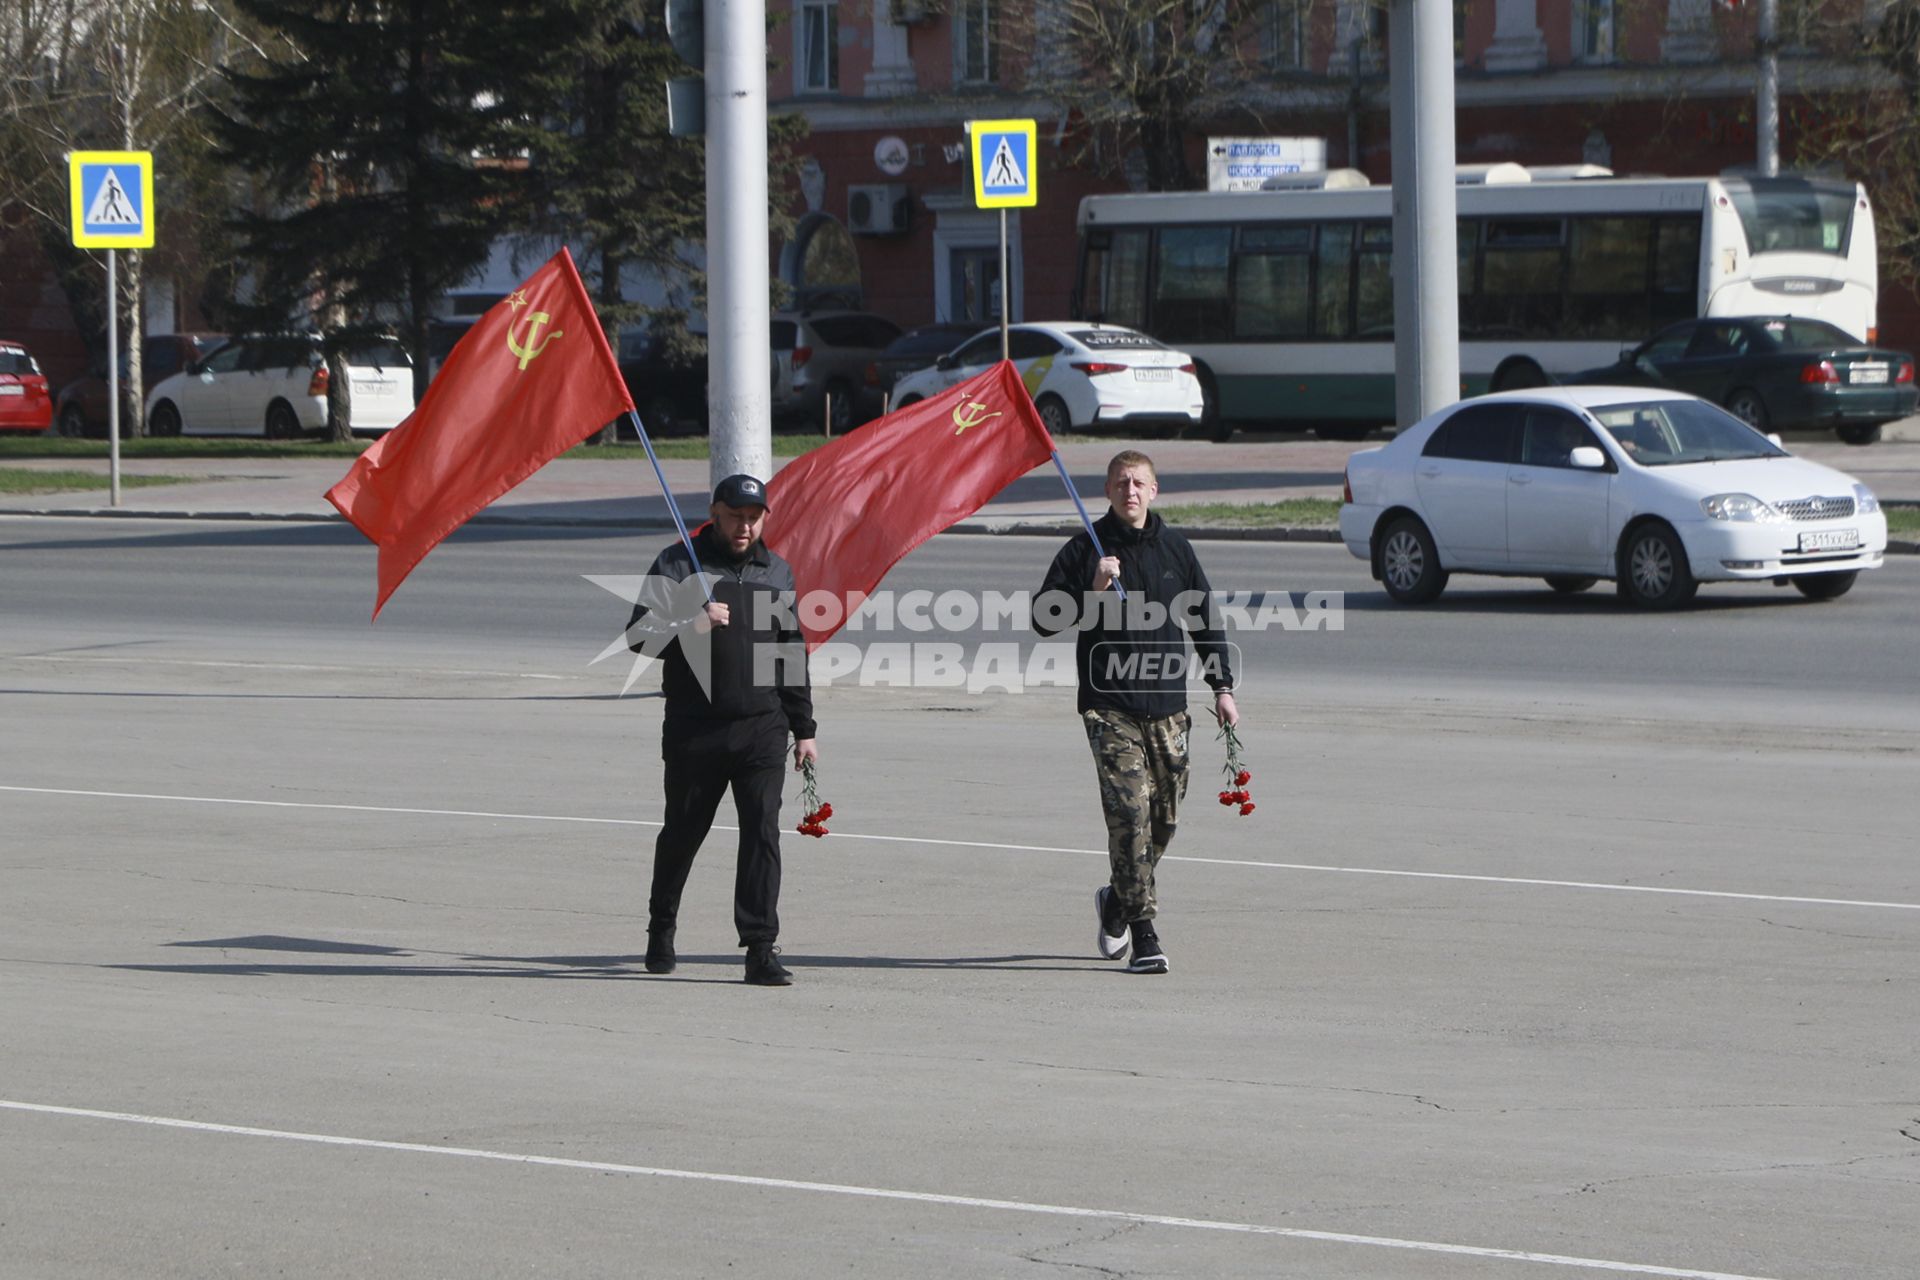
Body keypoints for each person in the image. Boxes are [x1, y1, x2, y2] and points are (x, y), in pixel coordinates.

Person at [1034, 450, 1237, 975]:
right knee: (1128, 816)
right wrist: (1091, 591)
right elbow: (1042, 618)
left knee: (1161, 822)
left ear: (1154, 491)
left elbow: (1204, 619)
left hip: (1168, 706)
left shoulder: (1176, 549)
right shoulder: (1087, 549)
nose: (1130, 490)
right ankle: (1144, 934)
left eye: (1139, 482)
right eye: (1121, 482)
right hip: (1110, 707)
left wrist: (1222, 686)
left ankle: (1116, 902)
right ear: (1107, 490)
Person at [625, 474, 818, 986]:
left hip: (761, 729)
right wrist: (694, 625)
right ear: (715, 511)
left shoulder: (776, 572)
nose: (744, 526)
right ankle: (661, 929)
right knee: (683, 835)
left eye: (754, 517)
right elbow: (638, 639)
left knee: (762, 835)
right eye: (735, 515)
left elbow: (789, 653)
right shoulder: (677, 563)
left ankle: (759, 948)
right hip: (696, 730)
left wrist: (804, 728)